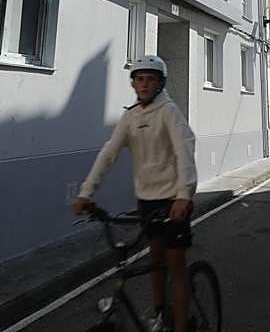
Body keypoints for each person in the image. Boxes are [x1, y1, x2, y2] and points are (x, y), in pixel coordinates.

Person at [72, 55, 197, 331]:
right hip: (147, 201)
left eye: (150, 79)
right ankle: (160, 314)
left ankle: (180, 326)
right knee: (155, 261)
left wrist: (184, 195)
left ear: (160, 83)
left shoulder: (169, 112)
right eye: (139, 79)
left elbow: (184, 150)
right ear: (133, 83)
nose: (144, 84)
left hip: (173, 199)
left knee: (175, 265)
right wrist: (86, 193)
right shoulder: (130, 116)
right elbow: (109, 153)